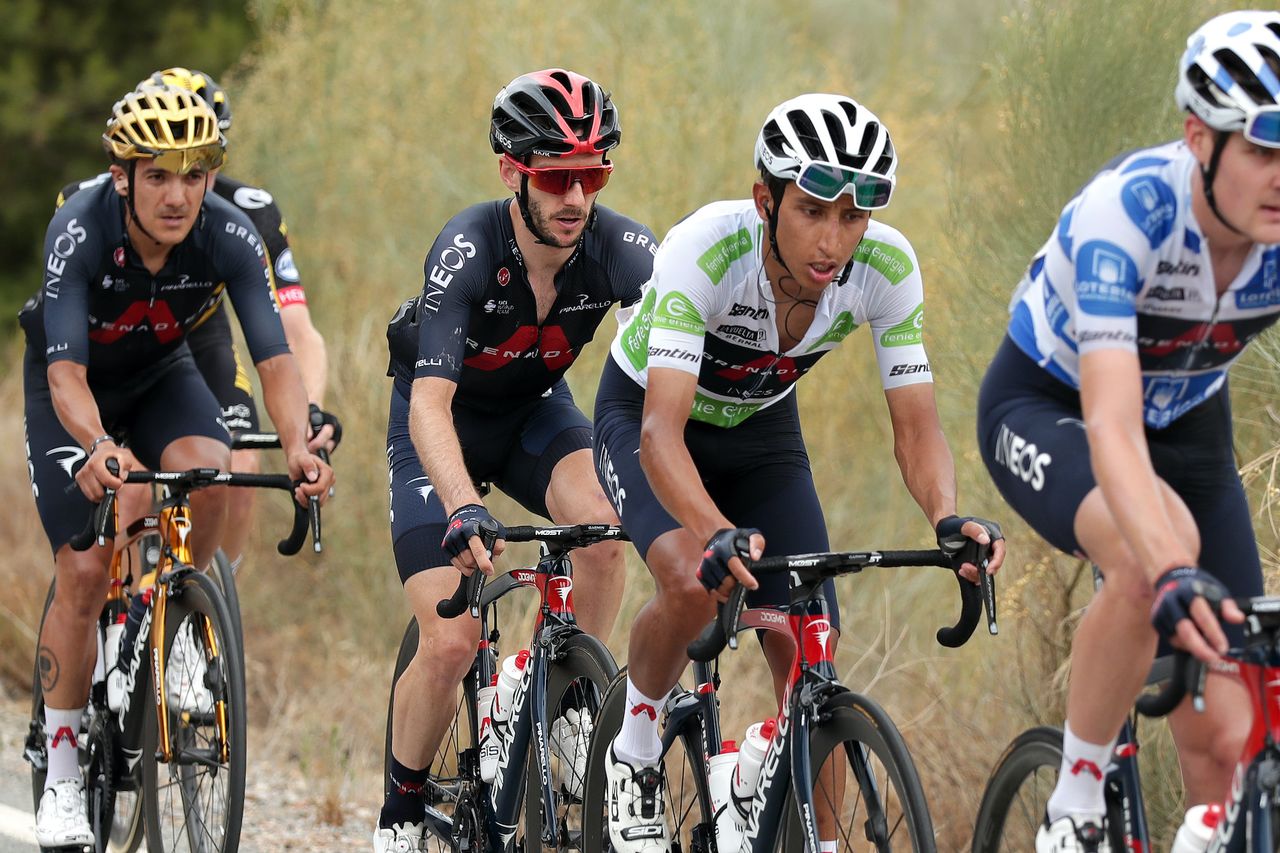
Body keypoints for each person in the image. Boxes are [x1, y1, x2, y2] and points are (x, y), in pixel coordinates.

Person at [593, 92, 1004, 852]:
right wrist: (717, 533)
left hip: (760, 429)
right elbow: (660, 432)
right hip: (650, 419)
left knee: (812, 646)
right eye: (814, 209)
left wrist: (946, 516)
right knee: (692, 580)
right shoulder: (707, 249)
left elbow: (916, 429)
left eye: (854, 216)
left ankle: (785, 803)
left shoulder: (887, 267)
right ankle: (637, 744)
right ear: (765, 198)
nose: (833, 241)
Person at [975, 11, 1280, 851]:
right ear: (1200, 139)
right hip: (1052, 405)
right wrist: (1175, 568)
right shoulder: (1130, 211)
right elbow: (1111, 423)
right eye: (1263, 148)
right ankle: (1075, 800)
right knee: (1156, 560)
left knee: (1235, 743)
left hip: (1189, 426)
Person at [20, 84, 333, 849]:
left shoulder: (228, 232)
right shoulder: (80, 226)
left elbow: (276, 358)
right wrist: (96, 445)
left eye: (194, 174)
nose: (177, 194)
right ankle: (62, 770)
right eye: (158, 174)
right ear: (124, 174)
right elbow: (64, 374)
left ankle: (179, 627)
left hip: (163, 377)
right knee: (87, 566)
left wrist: (297, 442)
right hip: (76, 386)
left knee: (213, 470)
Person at [377, 68, 657, 852]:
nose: (576, 197)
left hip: (537, 417)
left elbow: (681, 359)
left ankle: (554, 704)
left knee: (603, 531)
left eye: (592, 175)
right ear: (512, 172)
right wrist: (464, 504)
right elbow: (430, 404)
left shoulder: (620, 247)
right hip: (440, 430)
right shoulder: (467, 248)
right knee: (452, 638)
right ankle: (398, 814)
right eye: (556, 176)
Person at [56, 67, 339, 575]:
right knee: (131, 482)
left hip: (197, 336)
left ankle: (200, 598)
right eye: (162, 162)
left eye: (199, 159)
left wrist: (310, 416)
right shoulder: (92, 202)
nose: (181, 183)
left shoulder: (250, 212)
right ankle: (127, 606)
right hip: (112, 344)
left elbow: (295, 331)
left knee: (239, 464)